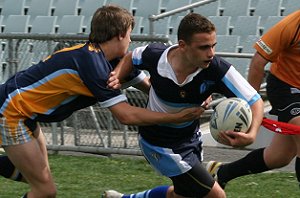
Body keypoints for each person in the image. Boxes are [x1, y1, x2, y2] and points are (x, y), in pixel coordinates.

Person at [0, 5, 204, 198]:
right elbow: (126, 115)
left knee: (33, 175)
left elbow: (152, 87)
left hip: (24, 113)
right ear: (121, 34)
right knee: (45, 190)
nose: (130, 40)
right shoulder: (92, 64)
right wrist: (174, 117)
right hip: (12, 111)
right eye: (130, 34)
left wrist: (191, 98)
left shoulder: (114, 61)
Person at [104, 12, 264, 198]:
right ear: (182, 46)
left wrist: (251, 135)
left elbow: (255, 100)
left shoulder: (217, 69)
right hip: (158, 142)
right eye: (203, 47)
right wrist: (117, 74)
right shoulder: (156, 56)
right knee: (216, 196)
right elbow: (132, 58)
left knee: (183, 195)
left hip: (189, 139)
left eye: (213, 46)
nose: (211, 53)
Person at [206, 10, 300, 189]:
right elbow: (258, 63)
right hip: (285, 87)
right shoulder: (291, 25)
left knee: (279, 157)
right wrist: (249, 108)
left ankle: (221, 172)